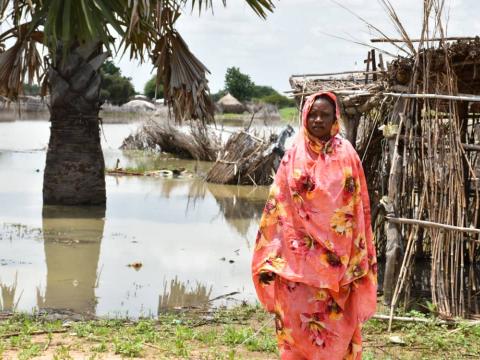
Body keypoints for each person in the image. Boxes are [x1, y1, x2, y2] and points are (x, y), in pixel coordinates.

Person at [251, 91, 377, 360]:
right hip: (297, 267)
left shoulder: (347, 155)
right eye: (313, 114)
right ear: (305, 116)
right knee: (296, 328)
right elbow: (278, 207)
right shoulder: (292, 156)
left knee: (336, 330)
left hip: (337, 266)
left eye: (325, 114)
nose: (318, 119)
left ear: (335, 119)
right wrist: (273, 255)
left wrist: (353, 255)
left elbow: (357, 208)